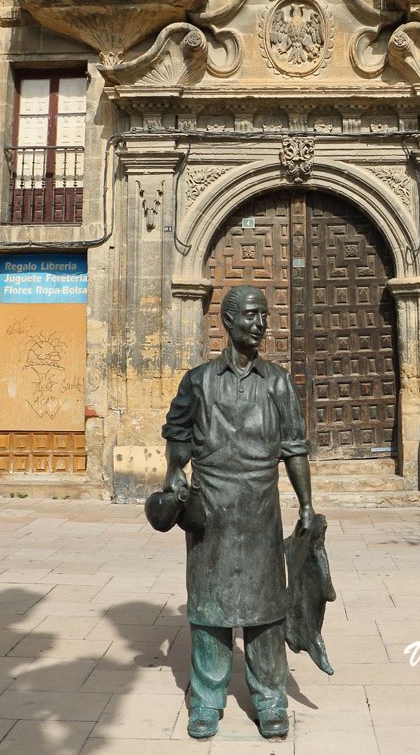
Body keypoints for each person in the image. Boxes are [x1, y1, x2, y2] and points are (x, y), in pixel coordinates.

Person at [161, 285, 314, 739]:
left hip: (261, 511)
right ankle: (206, 699)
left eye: (264, 315)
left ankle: (270, 697)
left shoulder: (278, 382)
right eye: (251, 315)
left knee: (267, 608)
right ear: (228, 321)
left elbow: (294, 447)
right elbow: (177, 432)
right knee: (209, 607)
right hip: (210, 511)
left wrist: (306, 503)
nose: (260, 323)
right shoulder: (198, 381)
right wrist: (174, 470)